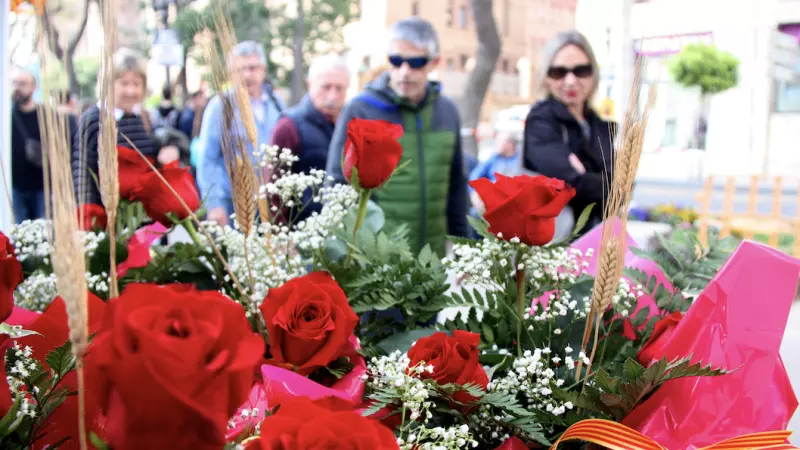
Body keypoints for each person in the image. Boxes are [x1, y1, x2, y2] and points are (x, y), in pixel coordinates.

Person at [326, 17, 469, 256]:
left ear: (434, 62)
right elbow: (337, 183)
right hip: (376, 262)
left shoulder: (448, 111)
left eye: (415, 62)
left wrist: (464, 245)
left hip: (431, 259)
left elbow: (456, 185)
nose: (405, 72)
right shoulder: (361, 109)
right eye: (396, 60)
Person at [522, 31, 615, 237]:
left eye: (581, 70)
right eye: (559, 72)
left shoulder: (597, 123)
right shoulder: (541, 120)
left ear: (594, 73)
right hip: (556, 246)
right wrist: (601, 182)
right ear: (545, 76)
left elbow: (623, 188)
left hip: (599, 241)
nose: (571, 81)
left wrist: (588, 179)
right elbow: (572, 187)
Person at [73, 48, 178, 207]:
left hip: (145, 217)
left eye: (136, 84)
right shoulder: (94, 120)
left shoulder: (144, 117)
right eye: (124, 83)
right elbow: (82, 174)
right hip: (108, 217)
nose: (131, 91)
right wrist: (91, 218)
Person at [198, 40, 285, 226]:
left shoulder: (276, 103)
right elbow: (207, 159)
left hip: (272, 203)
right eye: (240, 69)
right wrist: (214, 203)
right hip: (234, 206)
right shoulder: (221, 106)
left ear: (263, 69)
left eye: (253, 68)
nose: (247, 75)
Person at [270, 53, 351, 223]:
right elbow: (273, 191)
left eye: (339, 88)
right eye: (326, 87)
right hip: (300, 234)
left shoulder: (351, 125)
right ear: (310, 84)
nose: (333, 96)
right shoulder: (289, 126)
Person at [10, 67, 47, 223]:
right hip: (16, 187)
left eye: (23, 84)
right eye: (15, 83)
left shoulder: (46, 117)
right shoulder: (7, 116)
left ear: (34, 87)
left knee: (42, 233)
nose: (17, 88)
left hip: (41, 187)